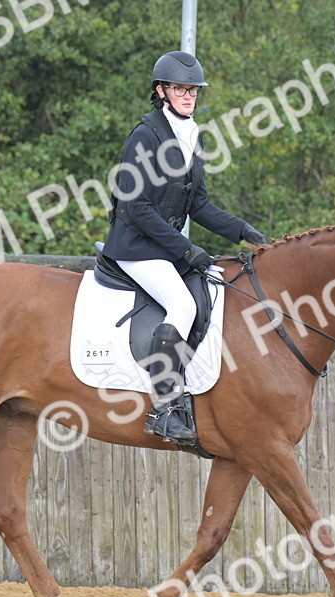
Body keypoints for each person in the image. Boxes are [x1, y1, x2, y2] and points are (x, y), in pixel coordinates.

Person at [102, 50, 267, 445]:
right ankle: (165, 407)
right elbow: (136, 208)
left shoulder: (192, 135)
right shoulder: (145, 136)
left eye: (193, 90)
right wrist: (186, 249)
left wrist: (245, 232)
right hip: (135, 246)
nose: (188, 96)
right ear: (161, 91)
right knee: (184, 305)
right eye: (180, 89)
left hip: (163, 246)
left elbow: (200, 206)